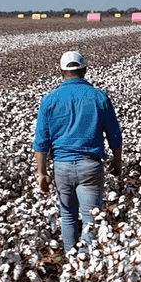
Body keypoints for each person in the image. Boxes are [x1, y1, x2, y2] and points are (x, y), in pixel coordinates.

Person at [34, 49, 123, 253]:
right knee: (90, 218)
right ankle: (86, 262)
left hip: (62, 166)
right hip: (90, 166)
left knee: (67, 217)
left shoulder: (49, 100)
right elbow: (114, 134)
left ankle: (71, 258)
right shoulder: (99, 97)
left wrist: (41, 173)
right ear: (85, 70)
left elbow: (41, 141)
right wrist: (117, 161)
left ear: (61, 71)